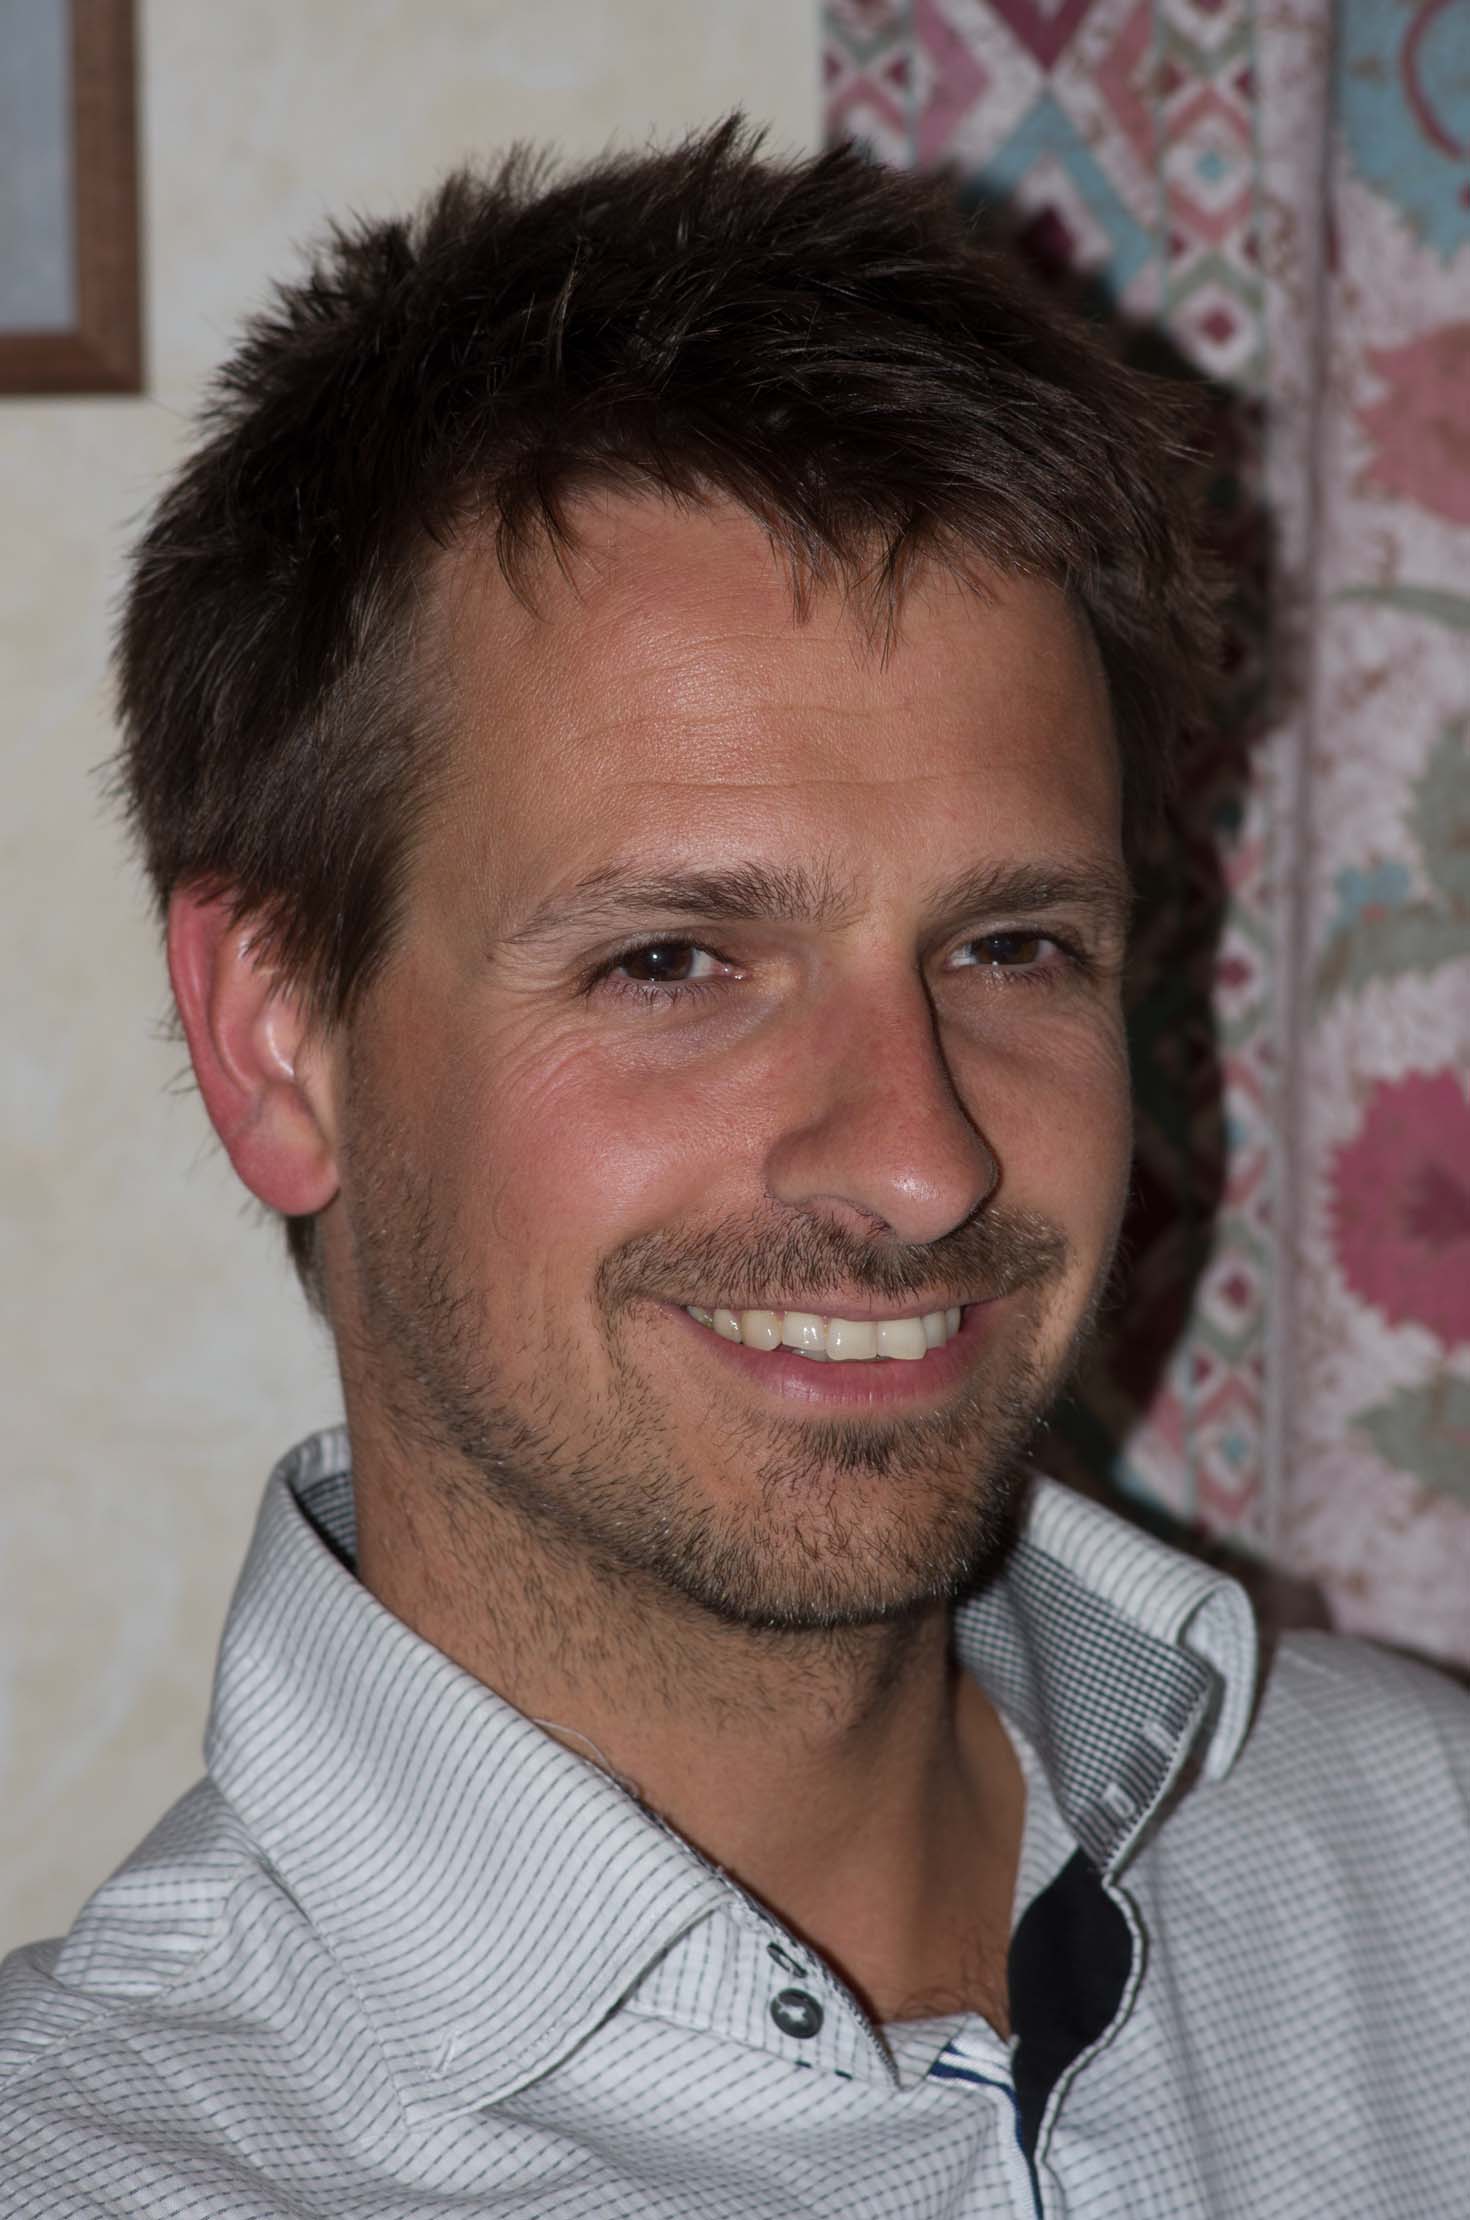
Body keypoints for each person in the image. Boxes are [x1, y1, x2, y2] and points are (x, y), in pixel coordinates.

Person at [2, 120, 1466, 2220]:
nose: (920, 1163)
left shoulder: (1424, 1862)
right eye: (674, 961)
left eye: (1010, 947)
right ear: (277, 1037)